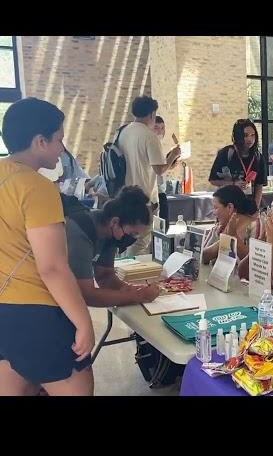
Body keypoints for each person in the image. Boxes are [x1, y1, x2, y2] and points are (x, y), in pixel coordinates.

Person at [0, 97, 95, 396]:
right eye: (59, 140)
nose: (62, 150)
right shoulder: (36, 186)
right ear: (40, 141)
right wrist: (84, 322)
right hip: (38, 314)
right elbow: (52, 267)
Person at [64, 186, 160, 307]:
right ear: (115, 222)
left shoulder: (110, 233)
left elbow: (105, 276)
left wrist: (130, 289)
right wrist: (138, 296)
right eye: (132, 233)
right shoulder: (81, 231)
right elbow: (86, 295)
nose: (132, 239)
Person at [117, 96, 181, 256]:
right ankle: (132, 275)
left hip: (125, 195)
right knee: (141, 241)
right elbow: (159, 169)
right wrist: (173, 155)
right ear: (152, 114)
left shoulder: (123, 132)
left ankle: (123, 270)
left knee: (127, 238)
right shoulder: (149, 136)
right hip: (144, 197)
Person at [209, 119, 267, 209]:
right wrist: (233, 183)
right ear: (238, 136)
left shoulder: (258, 157)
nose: (250, 139)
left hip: (248, 205)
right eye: (245, 135)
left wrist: (255, 208)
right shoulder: (226, 153)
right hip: (227, 206)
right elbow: (213, 180)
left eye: (253, 135)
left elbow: (259, 185)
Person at [202, 185, 258, 265]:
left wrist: (229, 238)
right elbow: (203, 257)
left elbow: (253, 265)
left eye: (216, 208)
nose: (213, 213)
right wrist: (216, 236)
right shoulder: (221, 226)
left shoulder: (255, 228)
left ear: (230, 207)